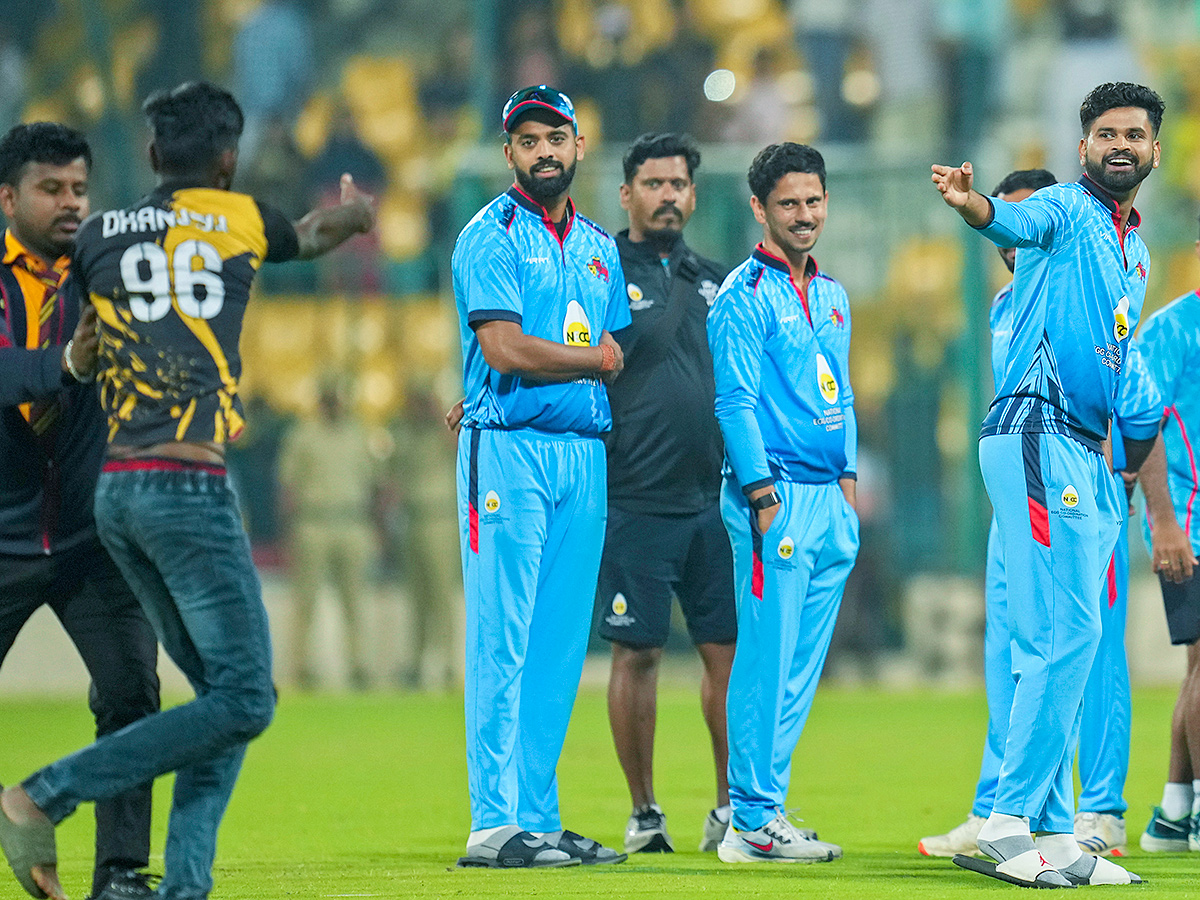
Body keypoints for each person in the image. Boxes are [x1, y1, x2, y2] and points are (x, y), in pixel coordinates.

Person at [0, 81, 374, 900]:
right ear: (230, 159)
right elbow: (307, 237)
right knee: (247, 697)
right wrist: (354, 219)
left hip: (116, 492)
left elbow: (81, 319)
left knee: (222, 699)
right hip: (189, 483)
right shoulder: (240, 217)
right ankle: (43, 795)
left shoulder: (98, 236)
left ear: (150, 155)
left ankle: (182, 888)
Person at [930, 81, 1174, 887]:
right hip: (1036, 434)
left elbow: (1118, 364)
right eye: (1106, 131)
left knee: (1068, 638)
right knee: (1066, 636)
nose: (1119, 144)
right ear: (1082, 147)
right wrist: (974, 207)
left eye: (1134, 133)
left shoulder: (1136, 249)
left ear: (1153, 151)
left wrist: (1131, 457)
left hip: (1080, 451)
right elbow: (1013, 220)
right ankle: (1007, 822)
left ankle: (1057, 831)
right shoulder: (1064, 211)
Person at [450, 84, 630, 869]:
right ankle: (493, 824)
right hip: (510, 449)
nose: (544, 151)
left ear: (579, 146)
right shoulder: (488, 235)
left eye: (556, 136)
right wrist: (592, 360)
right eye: (528, 140)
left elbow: (615, 353)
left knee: (559, 647)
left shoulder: (597, 243)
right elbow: (506, 350)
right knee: (502, 636)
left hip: (583, 456)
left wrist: (600, 365)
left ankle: (539, 817)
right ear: (509, 153)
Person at [0, 122, 161, 900]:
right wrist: (64, 364)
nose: (70, 204)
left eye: (79, 189)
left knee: (133, 691)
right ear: (8, 197)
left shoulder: (108, 274)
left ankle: (121, 875)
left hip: (92, 536)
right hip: (1, 536)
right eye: (50, 189)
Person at [707, 142, 856, 864]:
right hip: (778, 499)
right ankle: (749, 820)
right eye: (790, 203)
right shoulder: (741, 298)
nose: (805, 215)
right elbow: (733, 401)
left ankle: (768, 809)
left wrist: (850, 481)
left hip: (830, 500)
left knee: (798, 667)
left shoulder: (832, 295)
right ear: (760, 209)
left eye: (814, 200)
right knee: (766, 661)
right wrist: (761, 493)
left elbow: (844, 391)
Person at [596, 132, 735, 855]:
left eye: (679, 183)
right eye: (653, 183)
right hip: (634, 500)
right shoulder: (597, 275)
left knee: (726, 656)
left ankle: (730, 810)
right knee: (637, 654)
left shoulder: (719, 279)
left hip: (714, 504)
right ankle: (645, 813)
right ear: (627, 194)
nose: (668, 194)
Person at [1134, 229, 1200, 854]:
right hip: (1190, 524)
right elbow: (1140, 421)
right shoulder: (1175, 328)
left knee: (1198, 669)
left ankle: (1175, 815)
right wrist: (1163, 522)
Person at [278, 375, 381, 690]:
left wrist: (377, 525)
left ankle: (359, 664)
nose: (333, 403)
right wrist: (287, 531)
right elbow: (288, 486)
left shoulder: (358, 433)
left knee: (355, 599)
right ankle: (301, 665)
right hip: (313, 521)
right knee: (305, 599)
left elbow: (376, 482)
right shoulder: (303, 435)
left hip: (352, 520)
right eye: (329, 397)